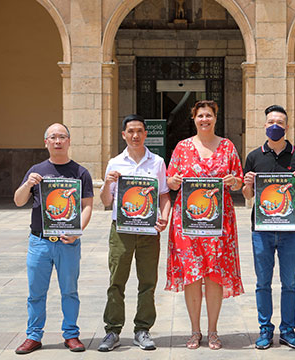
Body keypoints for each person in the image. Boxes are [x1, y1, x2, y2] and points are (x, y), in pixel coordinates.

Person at [165, 100, 244, 350]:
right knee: (192, 275)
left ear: (215, 118)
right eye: (200, 116)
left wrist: (234, 181)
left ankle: (212, 331)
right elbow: (170, 179)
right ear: (194, 118)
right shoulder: (182, 147)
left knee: (214, 276)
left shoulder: (228, 147)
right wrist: (174, 181)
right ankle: (194, 331)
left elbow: (240, 181)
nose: (204, 119)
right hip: (187, 223)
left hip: (219, 223)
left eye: (208, 115)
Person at [13, 123, 94, 354]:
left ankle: (71, 334)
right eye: (53, 137)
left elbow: (87, 206)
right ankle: (33, 336)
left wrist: (77, 229)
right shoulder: (36, 170)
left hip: (68, 242)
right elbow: (18, 201)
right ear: (46, 142)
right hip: (39, 241)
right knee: (36, 292)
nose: (58, 141)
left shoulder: (80, 172)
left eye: (62, 137)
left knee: (69, 290)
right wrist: (28, 184)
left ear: (69, 141)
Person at [97, 114, 171, 352]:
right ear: (123, 134)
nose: (135, 135)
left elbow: (163, 195)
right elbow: (106, 201)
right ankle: (112, 330)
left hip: (149, 231)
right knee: (116, 280)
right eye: (131, 131)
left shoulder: (157, 162)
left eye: (139, 131)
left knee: (148, 281)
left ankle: (143, 329)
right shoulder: (115, 162)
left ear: (146, 134)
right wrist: (108, 183)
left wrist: (164, 217)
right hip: (122, 230)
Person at [241, 105, 295, 350]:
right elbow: (248, 196)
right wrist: (247, 184)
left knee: (289, 282)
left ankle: (288, 330)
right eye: (271, 121)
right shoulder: (254, 156)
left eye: (280, 122)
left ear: (287, 126)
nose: (275, 126)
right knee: (263, 282)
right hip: (261, 230)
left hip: (290, 230)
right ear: (264, 125)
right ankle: (264, 329)